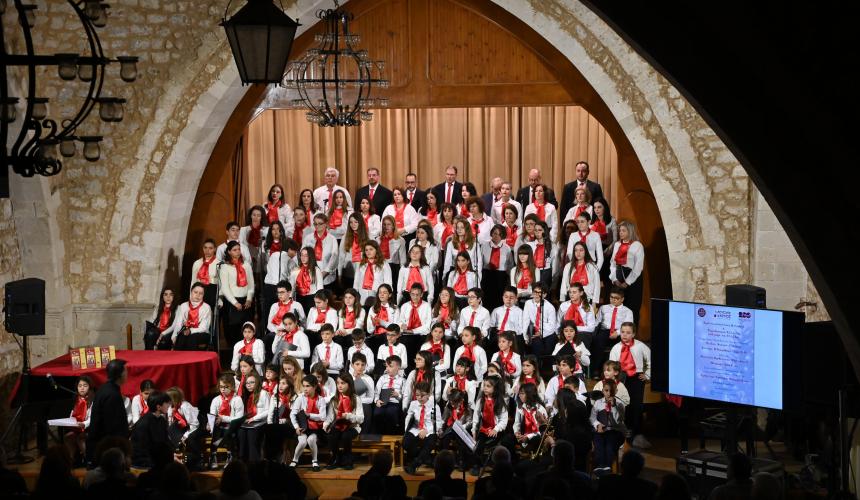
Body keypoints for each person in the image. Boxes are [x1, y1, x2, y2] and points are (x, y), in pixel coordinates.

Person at [609, 321, 651, 448]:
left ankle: (637, 434)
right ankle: (623, 433)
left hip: (636, 378)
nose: (625, 335)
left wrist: (647, 374)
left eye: (628, 333)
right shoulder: (616, 348)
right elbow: (611, 365)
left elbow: (650, 361)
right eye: (622, 332)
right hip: (621, 377)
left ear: (633, 334)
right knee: (622, 404)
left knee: (636, 405)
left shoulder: (640, 346)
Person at [85, 359, 128, 465]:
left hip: (104, 445)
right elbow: (113, 425)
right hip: (107, 449)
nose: (127, 373)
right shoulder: (112, 394)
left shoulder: (105, 388)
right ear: (120, 374)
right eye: (126, 371)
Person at [469, 376, 508, 476]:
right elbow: (476, 417)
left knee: (492, 444)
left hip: (496, 431)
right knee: (478, 445)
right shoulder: (481, 401)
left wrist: (496, 429)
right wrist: (474, 430)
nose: (485, 388)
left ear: (495, 388)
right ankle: (476, 465)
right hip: (484, 429)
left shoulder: (500, 402)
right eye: (484, 385)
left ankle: (492, 463)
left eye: (488, 386)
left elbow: (503, 420)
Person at [220, 240, 255, 346]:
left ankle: (247, 350)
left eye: (239, 249)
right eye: (234, 250)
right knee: (233, 330)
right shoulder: (225, 267)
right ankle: (234, 350)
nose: (238, 252)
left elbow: (251, 284)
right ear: (229, 252)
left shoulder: (246, 265)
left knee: (246, 328)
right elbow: (225, 288)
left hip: (246, 302)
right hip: (232, 302)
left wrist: (249, 299)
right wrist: (235, 303)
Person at [592, 287, 634, 377]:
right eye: (611, 297)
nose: (613, 300)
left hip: (621, 332)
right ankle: (596, 369)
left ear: (622, 299)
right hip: (605, 331)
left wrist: (618, 332)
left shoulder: (627, 311)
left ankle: (619, 371)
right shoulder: (603, 308)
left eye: (616, 298)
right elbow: (597, 322)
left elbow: (628, 326)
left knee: (624, 344)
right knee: (598, 342)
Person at [609, 220, 645, 323]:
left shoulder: (637, 245)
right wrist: (614, 279)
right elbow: (612, 263)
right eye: (620, 231)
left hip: (632, 279)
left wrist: (627, 282)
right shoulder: (617, 244)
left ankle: (632, 330)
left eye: (623, 231)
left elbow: (638, 267)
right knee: (617, 307)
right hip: (618, 277)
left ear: (630, 231)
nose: (620, 233)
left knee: (632, 307)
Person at [403, 381, 442, 475]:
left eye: (422, 395)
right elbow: (408, 417)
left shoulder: (434, 406)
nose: (419, 398)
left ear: (428, 394)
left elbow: (438, 423)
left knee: (430, 443)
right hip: (416, 429)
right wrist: (407, 430)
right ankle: (426, 459)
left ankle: (415, 464)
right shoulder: (413, 404)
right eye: (417, 395)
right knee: (405, 443)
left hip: (429, 431)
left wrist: (426, 430)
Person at [289, 374, 327, 470]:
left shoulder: (321, 400)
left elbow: (323, 417)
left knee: (311, 440)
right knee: (302, 441)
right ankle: (295, 460)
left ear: (314, 386)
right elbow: (292, 414)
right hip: (302, 427)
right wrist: (296, 427)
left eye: (308, 386)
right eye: (304, 386)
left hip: (315, 428)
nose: (305, 389)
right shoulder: (300, 398)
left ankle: (315, 461)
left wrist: (309, 415)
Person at [590, 378, 626, 475]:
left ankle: (607, 466)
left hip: (615, 431)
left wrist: (613, 407)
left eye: (611, 391)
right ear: (602, 391)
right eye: (606, 390)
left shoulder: (620, 404)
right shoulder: (598, 403)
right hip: (601, 430)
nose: (609, 393)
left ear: (616, 391)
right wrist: (597, 425)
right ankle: (600, 465)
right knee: (598, 443)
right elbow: (592, 418)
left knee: (610, 443)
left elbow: (618, 421)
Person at [208, 373, 244, 469]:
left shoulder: (237, 399)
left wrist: (223, 418)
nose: (223, 389)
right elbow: (212, 415)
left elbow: (239, 418)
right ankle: (213, 456)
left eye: (226, 387)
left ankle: (230, 456)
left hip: (231, 426)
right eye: (221, 387)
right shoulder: (216, 400)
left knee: (229, 432)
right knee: (215, 432)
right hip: (219, 427)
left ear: (232, 387)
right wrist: (210, 423)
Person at [131, 391, 172, 469]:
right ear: (158, 407)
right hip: (144, 461)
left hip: (156, 457)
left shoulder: (162, 420)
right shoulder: (144, 423)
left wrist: (172, 454)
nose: (169, 405)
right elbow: (142, 448)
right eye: (166, 403)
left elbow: (165, 441)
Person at [237, 371, 270, 463]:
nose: (249, 385)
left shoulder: (263, 393)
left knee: (252, 442)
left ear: (257, 382)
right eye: (247, 383)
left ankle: (254, 464)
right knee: (241, 440)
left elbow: (268, 411)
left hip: (258, 424)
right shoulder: (244, 395)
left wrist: (253, 419)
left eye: (252, 382)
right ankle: (242, 464)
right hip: (245, 424)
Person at [481, 224, 513, 311]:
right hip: (487, 275)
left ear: (503, 236)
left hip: (501, 277)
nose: (497, 236)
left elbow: (510, 265)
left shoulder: (507, 248)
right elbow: (480, 263)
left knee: (499, 300)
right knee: (487, 299)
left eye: (499, 234)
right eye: (495, 233)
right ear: (491, 233)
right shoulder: (484, 246)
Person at [302, 213, 339, 287]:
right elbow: (302, 254)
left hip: (327, 279)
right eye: (315, 224)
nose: (317, 226)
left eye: (320, 223)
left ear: (326, 224)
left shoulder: (332, 239)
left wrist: (324, 273)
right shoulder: (308, 238)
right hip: (310, 276)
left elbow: (334, 258)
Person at [264, 376, 295, 462]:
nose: (280, 386)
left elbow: (294, 415)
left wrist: (286, 420)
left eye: (284, 384)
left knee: (284, 430)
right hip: (276, 424)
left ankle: (285, 458)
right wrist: (270, 425)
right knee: (273, 431)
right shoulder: (275, 397)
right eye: (280, 383)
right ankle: (274, 458)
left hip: (289, 424)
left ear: (289, 386)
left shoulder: (294, 397)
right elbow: (270, 413)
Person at [63, 375, 93, 465]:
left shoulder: (93, 400)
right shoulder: (76, 400)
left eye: (85, 385)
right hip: (77, 428)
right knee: (68, 437)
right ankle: (71, 461)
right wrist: (69, 422)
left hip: (89, 429)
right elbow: (72, 414)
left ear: (90, 387)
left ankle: (89, 460)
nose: (82, 388)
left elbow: (92, 418)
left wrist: (84, 424)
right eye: (80, 386)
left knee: (80, 437)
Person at [522, 283, 558, 358]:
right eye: (535, 292)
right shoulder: (528, 303)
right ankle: (538, 362)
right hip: (535, 330)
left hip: (547, 332)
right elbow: (525, 320)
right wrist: (525, 337)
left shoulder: (550, 307)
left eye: (540, 293)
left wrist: (541, 333)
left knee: (549, 343)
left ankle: (547, 362)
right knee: (537, 344)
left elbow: (552, 327)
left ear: (544, 295)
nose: (537, 295)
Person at [561, 240, 601, 305]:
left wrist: (594, 304)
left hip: (587, 299)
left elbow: (597, 286)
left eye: (581, 250)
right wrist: (562, 301)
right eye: (576, 250)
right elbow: (563, 285)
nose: (578, 253)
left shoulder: (592, 266)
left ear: (585, 251)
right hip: (571, 299)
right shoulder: (568, 266)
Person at [373, 355, 405, 434]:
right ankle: (379, 435)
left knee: (391, 413)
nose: (387, 369)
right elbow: (376, 391)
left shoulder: (402, 380)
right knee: (377, 413)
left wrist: (398, 395)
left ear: (398, 367)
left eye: (390, 366)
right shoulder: (382, 378)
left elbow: (405, 396)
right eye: (386, 366)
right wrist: (377, 400)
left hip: (394, 403)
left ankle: (391, 435)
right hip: (382, 402)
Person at [355, 240, 393, 305]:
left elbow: (388, 283)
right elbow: (356, 281)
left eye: (371, 249)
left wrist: (386, 298)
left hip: (378, 297)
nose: (368, 252)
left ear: (376, 250)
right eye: (366, 250)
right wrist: (355, 294)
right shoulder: (361, 264)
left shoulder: (384, 264)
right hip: (362, 296)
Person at [290, 246, 324, 315]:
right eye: (302, 255)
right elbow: (292, 288)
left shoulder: (316, 270)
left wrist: (319, 303)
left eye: (306, 255)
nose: (303, 257)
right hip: (299, 298)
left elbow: (320, 289)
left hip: (312, 299)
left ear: (310, 257)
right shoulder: (295, 271)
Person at [350, 352, 376, 436]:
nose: (360, 367)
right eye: (357, 364)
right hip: (349, 402)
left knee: (366, 408)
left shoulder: (368, 379)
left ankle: (364, 435)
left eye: (363, 365)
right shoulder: (348, 377)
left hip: (363, 404)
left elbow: (370, 399)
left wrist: (358, 400)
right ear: (352, 365)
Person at [189, 238, 220, 311]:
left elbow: (220, 283)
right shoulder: (197, 263)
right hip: (198, 290)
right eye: (205, 248)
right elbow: (193, 281)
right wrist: (191, 296)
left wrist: (220, 299)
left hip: (211, 291)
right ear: (203, 248)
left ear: (215, 249)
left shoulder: (218, 263)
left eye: (210, 248)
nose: (207, 250)